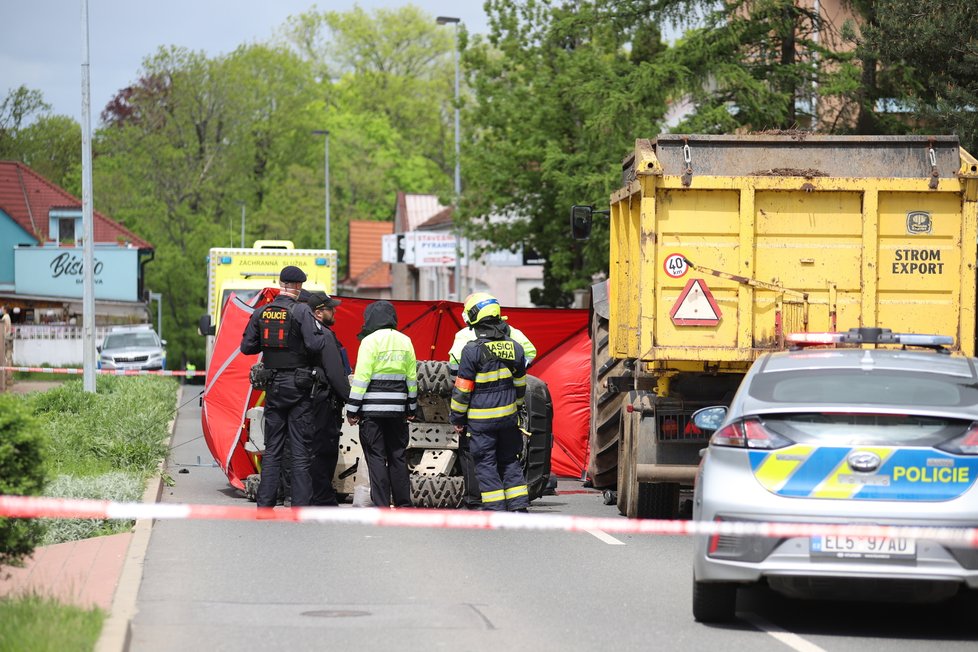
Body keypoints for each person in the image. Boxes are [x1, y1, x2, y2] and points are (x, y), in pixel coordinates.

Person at [240, 265, 325, 508]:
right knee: (299, 449)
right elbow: (315, 345)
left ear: (281, 283)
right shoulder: (302, 311)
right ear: (298, 286)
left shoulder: (263, 312)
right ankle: (300, 505)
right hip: (299, 387)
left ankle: (265, 503)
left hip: (273, 386)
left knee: (272, 448)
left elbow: (247, 347)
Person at [448, 292, 536, 509]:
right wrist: (515, 409)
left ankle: (495, 508)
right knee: (509, 460)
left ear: (475, 320)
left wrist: (457, 418)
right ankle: (518, 506)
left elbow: (463, 390)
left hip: (481, 422)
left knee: (486, 463)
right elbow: (520, 384)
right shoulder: (515, 347)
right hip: (508, 419)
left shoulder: (471, 350)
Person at [346, 300, 417, 508]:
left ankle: (382, 505)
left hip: (372, 411)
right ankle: (404, 504)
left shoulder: (369, 341)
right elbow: (411, 378)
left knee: (376, 456)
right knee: (398, 455)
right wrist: (411, 407)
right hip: (397, 411)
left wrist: (352, 410)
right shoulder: (406, 341)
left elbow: (361, 379)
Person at [304, 290, 351, 506]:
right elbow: (334, 372)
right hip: (323, 401)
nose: (335, 313)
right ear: (319, 312)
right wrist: (350, 399)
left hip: (308, 399)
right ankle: (321, 496)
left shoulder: (307, 333)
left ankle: (307, 493)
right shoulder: (324, 335)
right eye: (331, 309)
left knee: (309, 448)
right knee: (324, 448)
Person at [0, 305, 11, 385]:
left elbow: (6, 327)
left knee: (4, 357)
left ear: (5, 309)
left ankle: (6, 376)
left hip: (5, 338)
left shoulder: (5, 317)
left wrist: (3, 335)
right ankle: (8, 376)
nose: (1, 309)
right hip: (8, 338)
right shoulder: (8, 316)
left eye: (2, 308)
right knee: (8, 357)